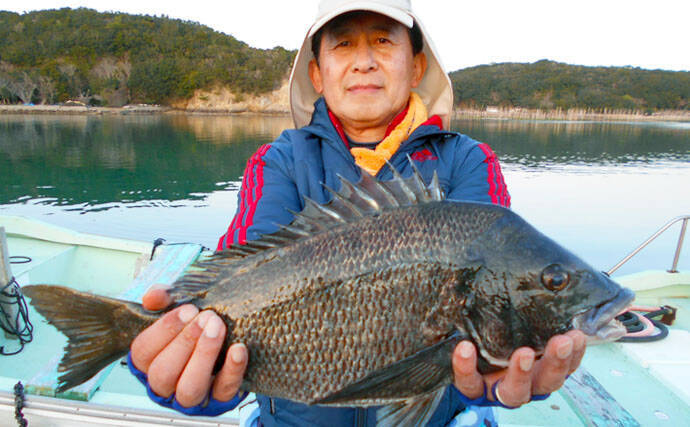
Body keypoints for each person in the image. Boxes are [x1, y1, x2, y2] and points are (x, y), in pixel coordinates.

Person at [129, 0, 586, 425]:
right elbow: (241, 278)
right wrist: (204, 378)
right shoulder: (280, 162)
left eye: (384, 41)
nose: (364, 60)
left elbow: (496, 291)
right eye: (344, 43)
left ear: (417, 67)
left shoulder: (467, 161)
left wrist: (500, 376)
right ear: (318, 74)